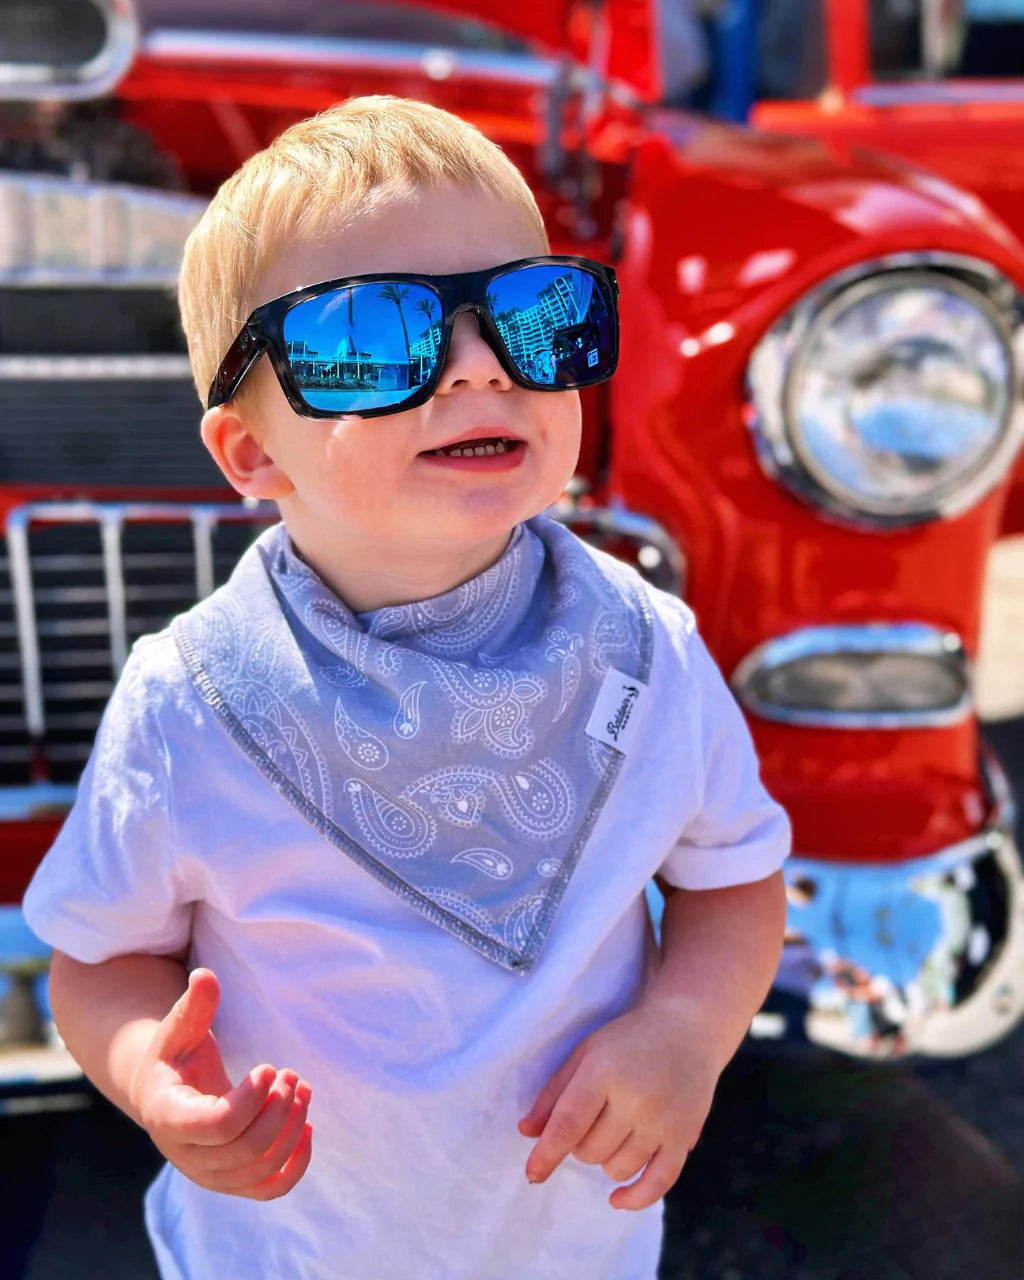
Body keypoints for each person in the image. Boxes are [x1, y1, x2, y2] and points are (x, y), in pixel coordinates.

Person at [23, 96, 791, 1280]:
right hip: (281, 1252)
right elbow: (103, 959)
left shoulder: (647, 653)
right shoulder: (193, 704)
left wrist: (685, 1030)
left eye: (534, 316)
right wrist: (151, 1079)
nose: (479, 366)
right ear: (250, 453)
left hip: (573, 1248)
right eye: (371, 339)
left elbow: (732, 880)